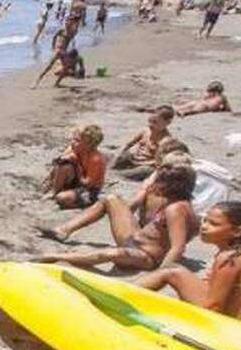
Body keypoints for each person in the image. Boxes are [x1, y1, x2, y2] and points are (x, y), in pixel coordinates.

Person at [34, 164, 198, 272]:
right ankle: (63, 230)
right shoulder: (175, 202)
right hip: (135, 239)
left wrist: (160, 274)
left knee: (109, 254)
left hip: (144, 256)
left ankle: (56, 257)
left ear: (172, 185)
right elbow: (132, 209)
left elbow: (178, 247)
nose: (154, 185)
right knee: (111, 200)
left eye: (159, 182)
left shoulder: (177, 209)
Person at [135, 201, 241, 323]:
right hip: (233, 316)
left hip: (232, 325)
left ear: (238, 231)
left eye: (214, 224)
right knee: (176, 272)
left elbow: (214, 307)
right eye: (205, 220)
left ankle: (120, 294)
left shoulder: (232, 258)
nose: (204, 227)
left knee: (172, 272)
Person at [42, 125, 105, 209]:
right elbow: (59, 161)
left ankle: (90, 203)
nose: (76, 143)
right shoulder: (81, 149)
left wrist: (78, 167)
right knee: (64, 165)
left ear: (90, 144)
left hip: (90, 189)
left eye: (81, 141)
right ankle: (54, 191)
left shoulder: (95, 159)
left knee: (61, 198)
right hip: (79, 182)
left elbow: (88, 184)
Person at [112, 106, 176, 179]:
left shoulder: (166, 139)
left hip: (147, 164)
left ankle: (118, 174)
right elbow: (129, 144)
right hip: (135, 158)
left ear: (167, 123)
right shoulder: (146, 131)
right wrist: (124, 153)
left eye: (155, 122)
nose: (150, 124)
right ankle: (112, 169)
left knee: (145, 171)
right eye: (149, 121)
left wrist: (150, 163)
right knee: (121, 157)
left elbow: (163, 160)